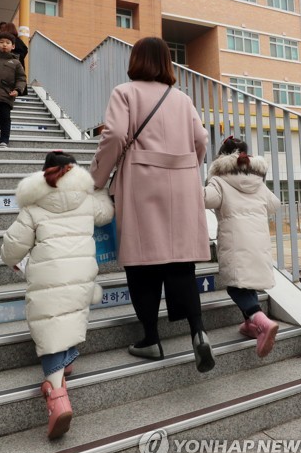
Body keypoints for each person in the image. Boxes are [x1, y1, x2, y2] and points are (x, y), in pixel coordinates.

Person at [90, 36, 215, 373]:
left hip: (142, 181)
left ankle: (151, 339)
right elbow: (201, 140)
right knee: (181, 262)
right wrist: (189, 165)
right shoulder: (182, 98)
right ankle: (198, 331)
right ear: (166, 64)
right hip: (183, 182)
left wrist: (97, 179)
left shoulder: (125, 92)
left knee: (142, 263)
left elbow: (115, 135)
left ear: (136, 60)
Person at [0, 150, 114, 439]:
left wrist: (9, 258)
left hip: (48, 276)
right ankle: (67, 360)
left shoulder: (34, 205)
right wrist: (99, 190)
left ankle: (57, 394)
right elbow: (107, 213)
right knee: (69, 315)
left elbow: (13, 247)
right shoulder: (86, 200)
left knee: (51, 322)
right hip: (81, 275)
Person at [204, 136, 281, 358]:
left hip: (235, 241)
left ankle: (261, 321)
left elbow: (206, 199)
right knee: (247, 284)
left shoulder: (219, 180)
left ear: (222, 156)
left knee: (236, 287)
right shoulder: (258, 182)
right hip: (258, 241)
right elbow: (274, 204)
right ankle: (250, 324)